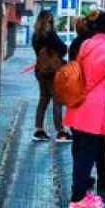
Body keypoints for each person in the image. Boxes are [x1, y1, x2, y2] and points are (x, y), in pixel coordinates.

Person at [63, 12, 105, 208]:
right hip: (94, 108)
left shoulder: (85, 45)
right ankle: (78, 198)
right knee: (88, 153)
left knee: (80, 149)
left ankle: (79, 190)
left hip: (79, 102)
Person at [31, 10, 70, 143]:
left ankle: (38, 129)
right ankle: (60, 131)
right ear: (50, 21)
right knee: (57, 100)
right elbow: (63, 49)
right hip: (52, 72)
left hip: (40, 70)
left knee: (43, 99)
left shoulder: (35, 36)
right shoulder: (50, 35)